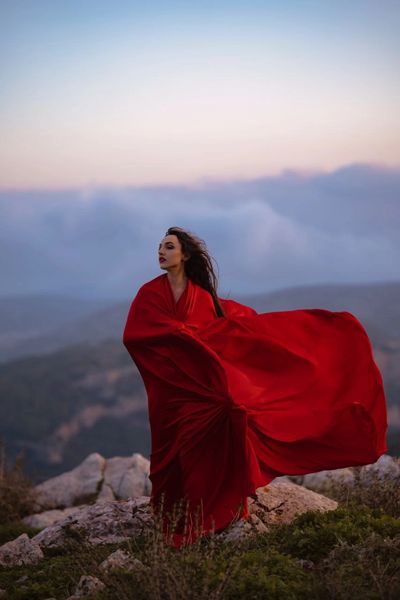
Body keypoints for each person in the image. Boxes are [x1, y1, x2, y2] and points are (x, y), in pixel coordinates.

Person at [122, 226, 388, 548]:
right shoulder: (149, 294)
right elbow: (134, 335)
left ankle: (205, 515)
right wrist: (181, 337)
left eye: (169, 247)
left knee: (226, 414)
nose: (161, 252)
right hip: (171, 389)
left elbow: (219, 331)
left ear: (185, 255)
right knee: (171, 456)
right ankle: (173, 519)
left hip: (203, 387)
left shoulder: (203, 297)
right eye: (160, 247)